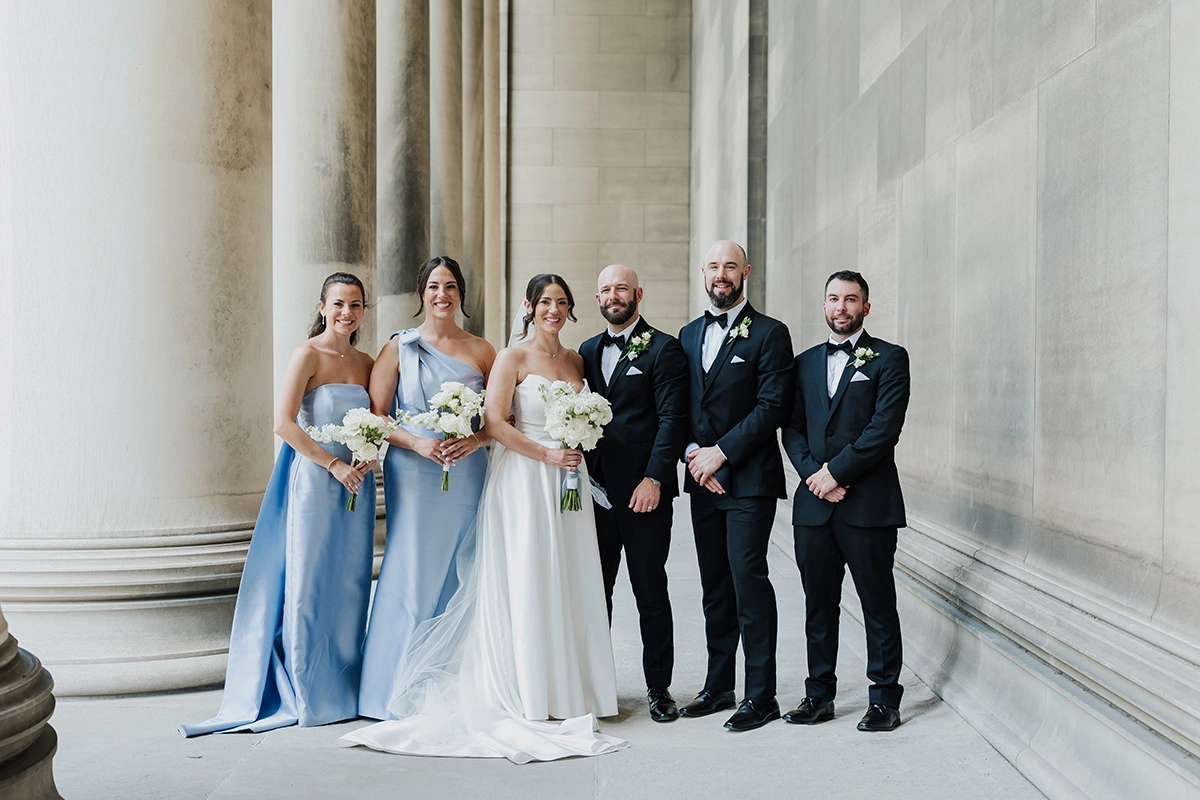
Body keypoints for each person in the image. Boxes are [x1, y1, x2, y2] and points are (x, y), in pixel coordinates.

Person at [338, 274, 626, 763]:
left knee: (570, 577)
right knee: (514, 574)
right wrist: (544, 453)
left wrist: (572, 441)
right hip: (519, 478)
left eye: (561, 302)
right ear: (529, 307)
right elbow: (494, 419)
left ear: (572, 309)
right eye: (544, 302)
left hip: (565, 484)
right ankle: (527, 687)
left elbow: (491, 426)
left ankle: (569, 690)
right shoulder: (508, 355)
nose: (552, 310)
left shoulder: (575, 361)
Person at [180, 273, 376, 737]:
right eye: (338, 304)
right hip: (316, 478)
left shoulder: (367, 361)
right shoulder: (306, 354)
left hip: (358, 486)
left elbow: (375, 419)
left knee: (349, 583)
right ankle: (307, 691)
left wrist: (366, 458)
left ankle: (342, 687)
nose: (346, 312)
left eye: (355, 304)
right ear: (322, 306)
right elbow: (283, 423)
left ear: (364, 310)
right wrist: (333, 465)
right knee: (308, 581)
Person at [357, 256, 497, 720]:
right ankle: (389, 686)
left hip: (466, 469)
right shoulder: (399, 347)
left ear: (461, 294)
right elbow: (377, 415)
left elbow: (500, 418)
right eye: (434, 286)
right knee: (411, 564)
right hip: (413, 471)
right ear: (422, 293)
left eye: (451, 286)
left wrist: (472, 440)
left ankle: (456, 680)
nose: (443, 295)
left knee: (465, 563)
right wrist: (417, 443)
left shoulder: (482, 350)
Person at [781, 270, 910, 732]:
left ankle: (884, 699)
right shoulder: (803, 363)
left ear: (866, 308)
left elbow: (883, 430)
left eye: (851, 300)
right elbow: (791, 428)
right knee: (819, 604)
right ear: (824, 306)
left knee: (877, 603)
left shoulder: (890, 359)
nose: (841, 307)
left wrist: (835, 473)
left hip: (868, 505)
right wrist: (815, 477)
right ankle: (819, 695)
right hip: (814, 508)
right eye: (833, 298)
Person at [677, 240, 794, 732]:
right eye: (713, 266)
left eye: (730, 266)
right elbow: (676, 406)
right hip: (702, 479)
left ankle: (761, 694)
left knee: (748, 580)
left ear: (745, 271)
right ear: (703, 273)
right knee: (715, 586)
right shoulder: (686, 335)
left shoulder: (770, 333)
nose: (721, 274)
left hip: (748, 480)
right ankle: (719, 684)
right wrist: (691, 455)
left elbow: (772, 407)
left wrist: (719, 454)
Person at [579, 264, 688, 723]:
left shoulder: (665, 349)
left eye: (621, 287)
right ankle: (596, 686)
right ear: (598, 298)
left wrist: (655, 478)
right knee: (593, 592)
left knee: (649, 591)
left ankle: (659, 689)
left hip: (645, 493)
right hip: (594, 494)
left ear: (638, 293)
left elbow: (672, 420)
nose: (613, 295)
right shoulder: (585, 350)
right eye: (605, 289)